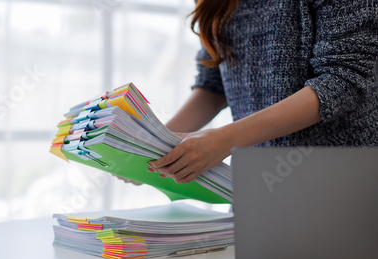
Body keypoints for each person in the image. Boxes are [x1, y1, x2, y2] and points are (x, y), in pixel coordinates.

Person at [146, 0, 378, 184]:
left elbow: (343, 81)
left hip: (338, 182)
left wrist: (225, 140)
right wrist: (150, 146)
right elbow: (214, 84)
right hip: (255, 182)